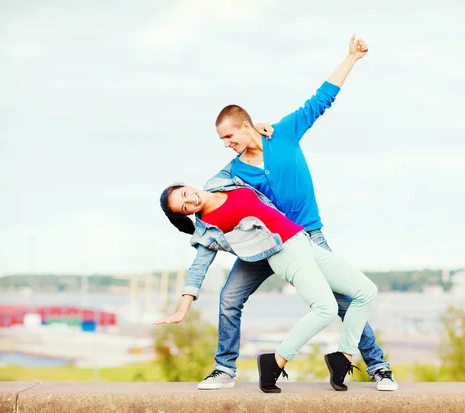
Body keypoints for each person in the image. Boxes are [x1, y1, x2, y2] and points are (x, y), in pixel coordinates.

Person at [202, 34, 399, 391]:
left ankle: (378, 366)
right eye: (222, 140)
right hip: (264, 244)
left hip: (308, 236)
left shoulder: (285, 133)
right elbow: (206, 195)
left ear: (246, 125)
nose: (227, 143)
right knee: (229, 298)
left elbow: (321, 98)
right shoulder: (233, 172)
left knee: (347, 299)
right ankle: (224, 369)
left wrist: (351, 58)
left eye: (230, 135)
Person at [155, 180, 378, 393]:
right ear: (187, 214)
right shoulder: (207, 230)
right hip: (284, 252)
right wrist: (182, 309)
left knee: (366, 292)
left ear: (187, 186)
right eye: (185, 207)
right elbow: (198, 269)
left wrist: (266, 137)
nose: (191, 201)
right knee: (325, 309)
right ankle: (275, 361)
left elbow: (249, 154)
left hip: (303, 239)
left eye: (185, 194)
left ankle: (343, 358)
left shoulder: (223, 182)